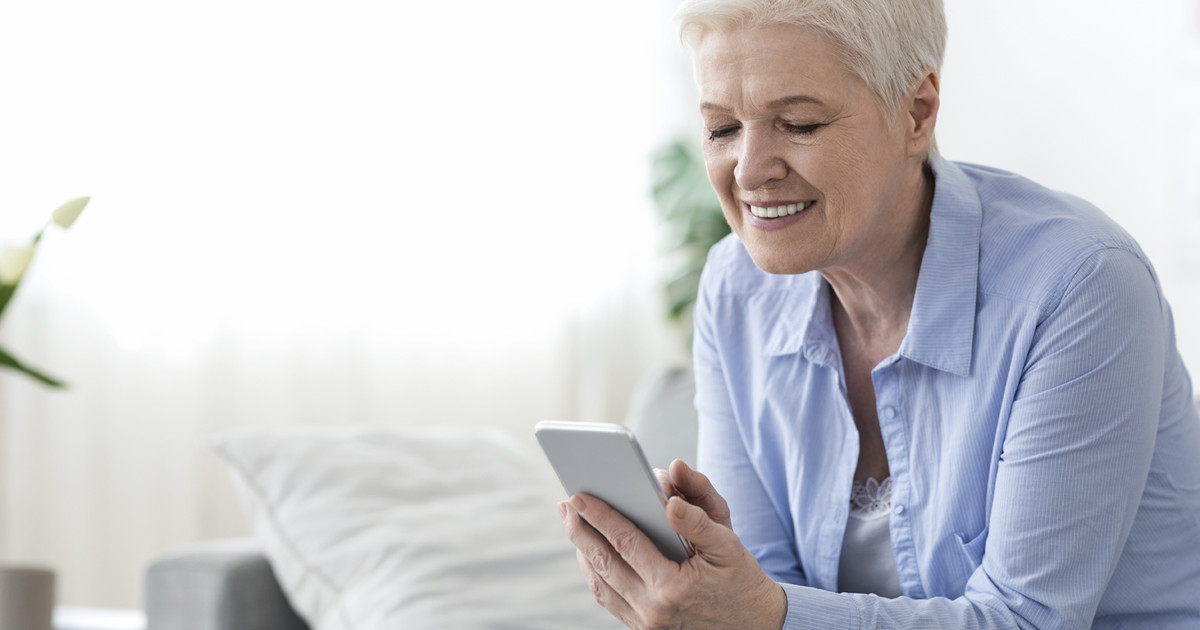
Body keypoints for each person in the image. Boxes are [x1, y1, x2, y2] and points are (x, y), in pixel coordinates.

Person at [558, 0, 1200, 628]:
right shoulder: (735, 290)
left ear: (916, 113)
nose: (749, 170)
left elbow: (1028, 622)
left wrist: (759, 614)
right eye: (723, 128)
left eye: (799, 124)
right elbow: (765, 587)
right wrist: (714, 592)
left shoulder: (1079, 286)